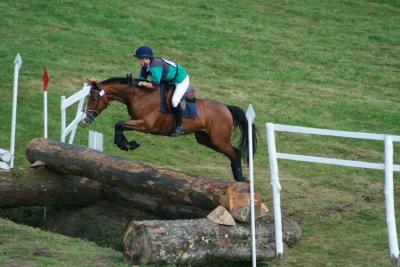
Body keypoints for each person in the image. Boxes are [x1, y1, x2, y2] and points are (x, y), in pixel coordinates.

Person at [134, 45, 189, 136]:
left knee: (174, 101)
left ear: (145, 59)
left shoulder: (155, 65)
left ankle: (179, 127)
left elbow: (155, 86)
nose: (138, 61)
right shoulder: (145, 66)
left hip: (180, 80)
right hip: (167, 80)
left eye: (139, 59)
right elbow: (141, 80)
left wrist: (143, 84)